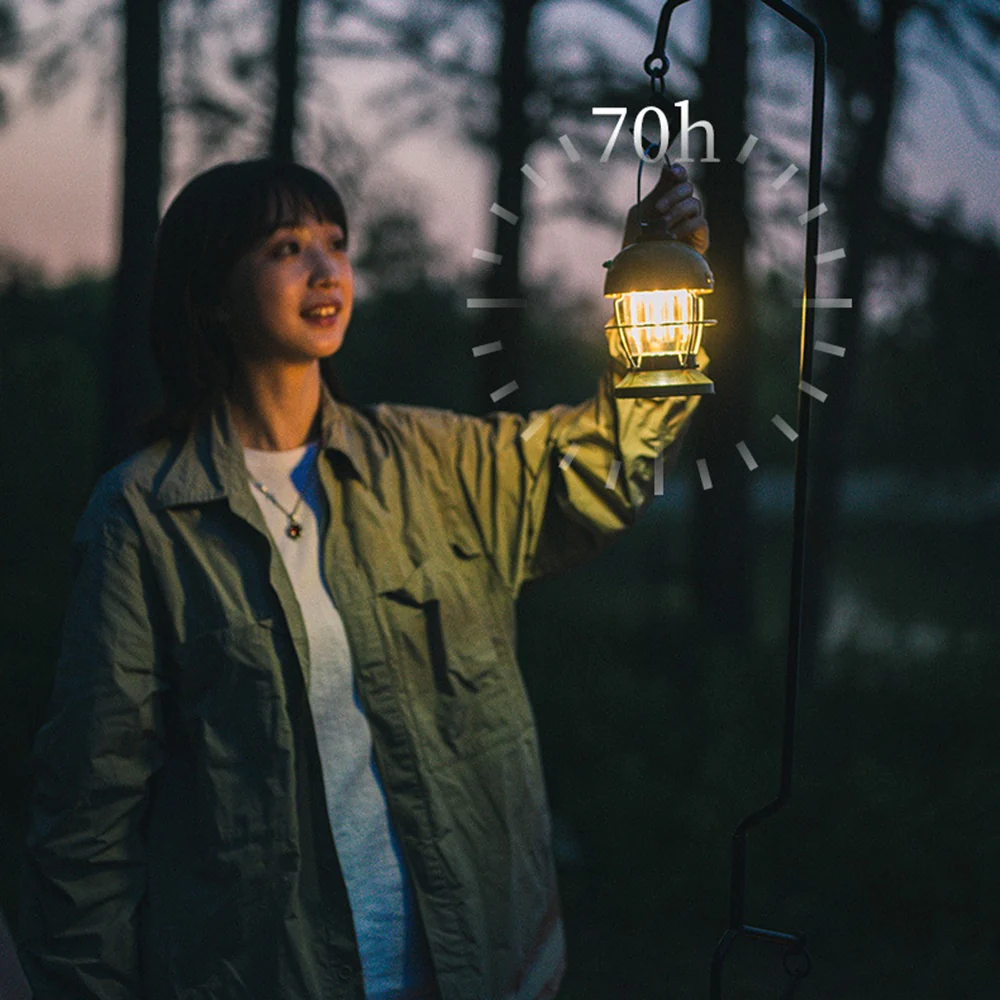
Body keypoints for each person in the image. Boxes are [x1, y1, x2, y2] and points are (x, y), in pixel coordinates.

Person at [18, 157, 709, 1000]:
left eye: (335, 242)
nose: (325, 269)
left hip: (479, 974)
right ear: (210, 294)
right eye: (284, 247)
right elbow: (90, 818)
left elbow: (603, 470)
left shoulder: (433, 464)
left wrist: (656, 298)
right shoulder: (145, 520)